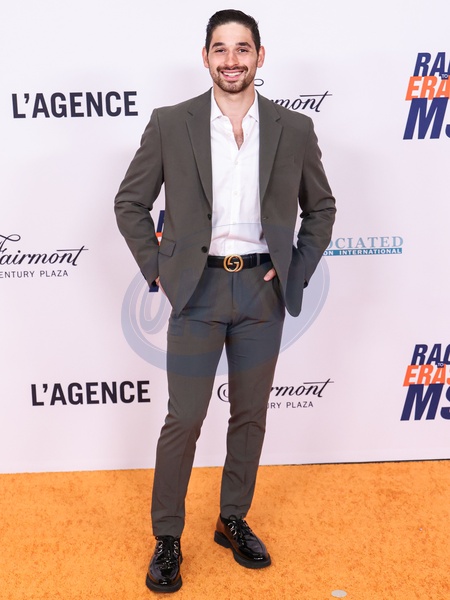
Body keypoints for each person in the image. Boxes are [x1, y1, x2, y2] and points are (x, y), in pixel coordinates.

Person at [114, 8, 336, 593]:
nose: (231, 60)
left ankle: (232, 518)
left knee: (250, 414)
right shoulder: (171, 123)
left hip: (262, 292)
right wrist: (160, 270)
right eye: (221, 49)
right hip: (197, 291)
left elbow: (321, 208)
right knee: (184, 419)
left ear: (260, 56)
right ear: (206, 57)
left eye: (242, 49)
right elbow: (130, 203)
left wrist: (295, 270)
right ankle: (168, 536)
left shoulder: (294, 128)